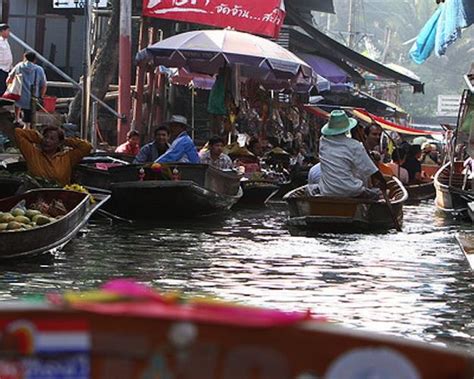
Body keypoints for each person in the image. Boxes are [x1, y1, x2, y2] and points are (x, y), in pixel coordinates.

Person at [318, 110, 386, 199]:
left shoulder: (323, 142)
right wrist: (384, 182)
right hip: (351, 191)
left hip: (327, 191)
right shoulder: (355, 145)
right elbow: (372, 171)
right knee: (378, 195)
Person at [15, 125, 92, 185]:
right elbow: (18, 132)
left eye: (52, 139)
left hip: (60, 197)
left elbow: (86, 147)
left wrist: (65, 141)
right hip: (36, 195)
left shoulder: (67, 157)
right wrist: (39, 138)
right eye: (46, 137)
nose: (47, 140)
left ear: (59, 143)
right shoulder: (32, 153)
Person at [8, 52, 47, 128]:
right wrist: (41, 97)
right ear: (35, 60)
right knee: (28, 121)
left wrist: (11, 88)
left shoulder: (19, 66)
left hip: (19, 97)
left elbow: (8, 79)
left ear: (24, 58)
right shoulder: (39, 69)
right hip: (32, 98)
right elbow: (44, 85)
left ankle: (17, 118)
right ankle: (27, 129)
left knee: (18, 102)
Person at [0, 24, 12, 96]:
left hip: (6, 68)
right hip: (1, 68)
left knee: (4, 87)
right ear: (2, 31)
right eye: (7, 31)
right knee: (1, 87)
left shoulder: (5, 41)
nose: (9, 33)